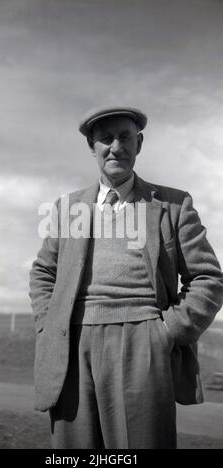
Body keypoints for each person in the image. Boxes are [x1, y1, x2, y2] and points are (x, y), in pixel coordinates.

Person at [29, 105, 223, 449]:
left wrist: (167, 331)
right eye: (105, 139)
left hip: (143, 339)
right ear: (92, 147)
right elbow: (43, 272)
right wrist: (50, 323)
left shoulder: (174, 205)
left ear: (139, 143)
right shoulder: (69, 208)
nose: (115, 147)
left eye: (125, 137)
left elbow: (208, 278)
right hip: (72, 344)